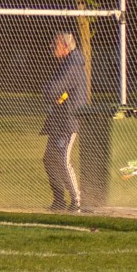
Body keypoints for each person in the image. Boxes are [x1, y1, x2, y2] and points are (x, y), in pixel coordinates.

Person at [41, 31, 88, 213]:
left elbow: (52, 89)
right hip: (59, 121)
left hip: (69, 121)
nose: (51, 47)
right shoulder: (67, 62)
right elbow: (53, 89)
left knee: (62, 159)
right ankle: (59, 200)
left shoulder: (73, 65)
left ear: (66, 46)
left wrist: (51, 92)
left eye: (55, 44)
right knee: (49, 159)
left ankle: (77, 201)